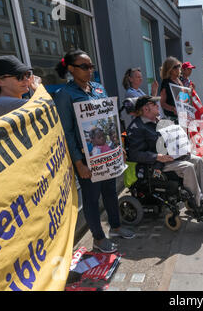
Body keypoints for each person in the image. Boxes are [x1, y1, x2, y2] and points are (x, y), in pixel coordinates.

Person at [54, 49, 135, 253]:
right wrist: (78, 162)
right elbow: (67, 132)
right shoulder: (65, 95)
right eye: (84, 66)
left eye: (91, 66)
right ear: (71, 69)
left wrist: (119, 148)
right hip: (86, 158)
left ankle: (115, 227)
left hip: (107, 154)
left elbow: (110, 118)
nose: (90, 70)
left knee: (110, 192)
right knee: (91, 199)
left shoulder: (98, 88)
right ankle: (98, 239)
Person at [125, 95, 203, 218]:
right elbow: (135, 154)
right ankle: (199, 205)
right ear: (146, 109)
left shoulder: (159, 120)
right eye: (154, 104)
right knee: (188, 167)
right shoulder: (137, 128)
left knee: (197, 160)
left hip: (171, 157)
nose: (157, 106)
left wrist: (182, 146)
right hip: (156, 165)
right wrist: (157, 156)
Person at [0, 55, 39, 121]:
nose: (27, 80)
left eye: (27, 74)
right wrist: (37, 87)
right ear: (0, 81)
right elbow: (46, 105)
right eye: (19, 76)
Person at [160, 57, 184, 122]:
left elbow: (182, 96)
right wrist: (173, 109)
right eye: (175, 67)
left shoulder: (179, 79)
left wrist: (189, 93)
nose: (178, 68)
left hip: (182, 116)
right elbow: (162, 103)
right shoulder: (166, 83)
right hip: (172, 119)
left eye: (178, 66)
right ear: (169, 69)